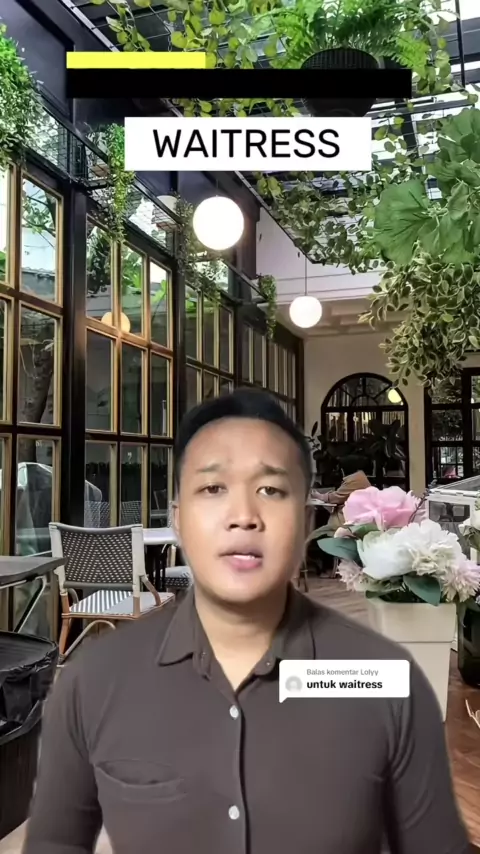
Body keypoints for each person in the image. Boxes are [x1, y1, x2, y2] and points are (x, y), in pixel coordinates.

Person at [23, 389, 470, 854]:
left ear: (304, 522)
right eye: (213, 488)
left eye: (271, 490)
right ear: (179, 519)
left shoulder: (384, 682)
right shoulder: (93, 683)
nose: (243, 517)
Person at [322, 458, 371, 530]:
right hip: (358, 518)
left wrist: (319, 496)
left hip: (349, 522)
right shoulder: (359, 477)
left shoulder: (354, 480)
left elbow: (336, 497)